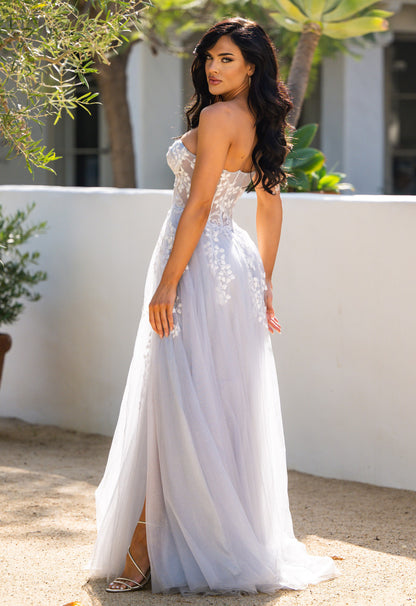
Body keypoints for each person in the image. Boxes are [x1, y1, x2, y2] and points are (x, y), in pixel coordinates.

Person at [88, 17, 339, 594]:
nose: (213, 67)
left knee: (175, 400)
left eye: (226, 59)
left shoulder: (216, 116)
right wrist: (265, 281)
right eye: (209, 58)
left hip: (198, 264)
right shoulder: (264, 121)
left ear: (252, 65)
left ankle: (146, 549)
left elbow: (198, 206)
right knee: (217, 401)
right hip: (236, 266)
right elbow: (270, 210)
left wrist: (169, 283)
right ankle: (203, 538)